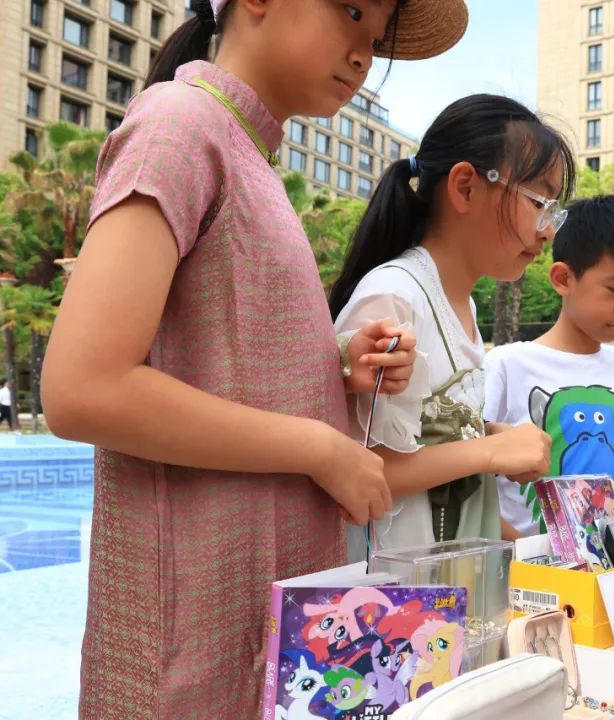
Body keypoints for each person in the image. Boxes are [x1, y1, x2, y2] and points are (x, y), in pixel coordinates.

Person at [36, 1, 467, 716]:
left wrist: (339, 367)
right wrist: (320, 448)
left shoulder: (247, 155)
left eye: (375, 35)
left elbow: (210, 355)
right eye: (351, 12)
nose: (364, 54)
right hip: (190, 650)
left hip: (254, 635)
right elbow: (83, 388)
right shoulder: (179, 125)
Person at [329, 94, 575, 555]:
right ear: (465, 187)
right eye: (539, 202)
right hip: (386, 591)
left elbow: (421, 434)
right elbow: (360, 470)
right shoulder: (395, 296)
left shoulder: (461, 305)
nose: (547, 231)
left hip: (443, 584)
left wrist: (485, 434)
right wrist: (488, 452)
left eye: (553, 213)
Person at [483, 195, 614, 539]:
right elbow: (473, 489)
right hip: (524, 562)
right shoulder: (507, 365)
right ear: (563, 279)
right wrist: (527, 552)